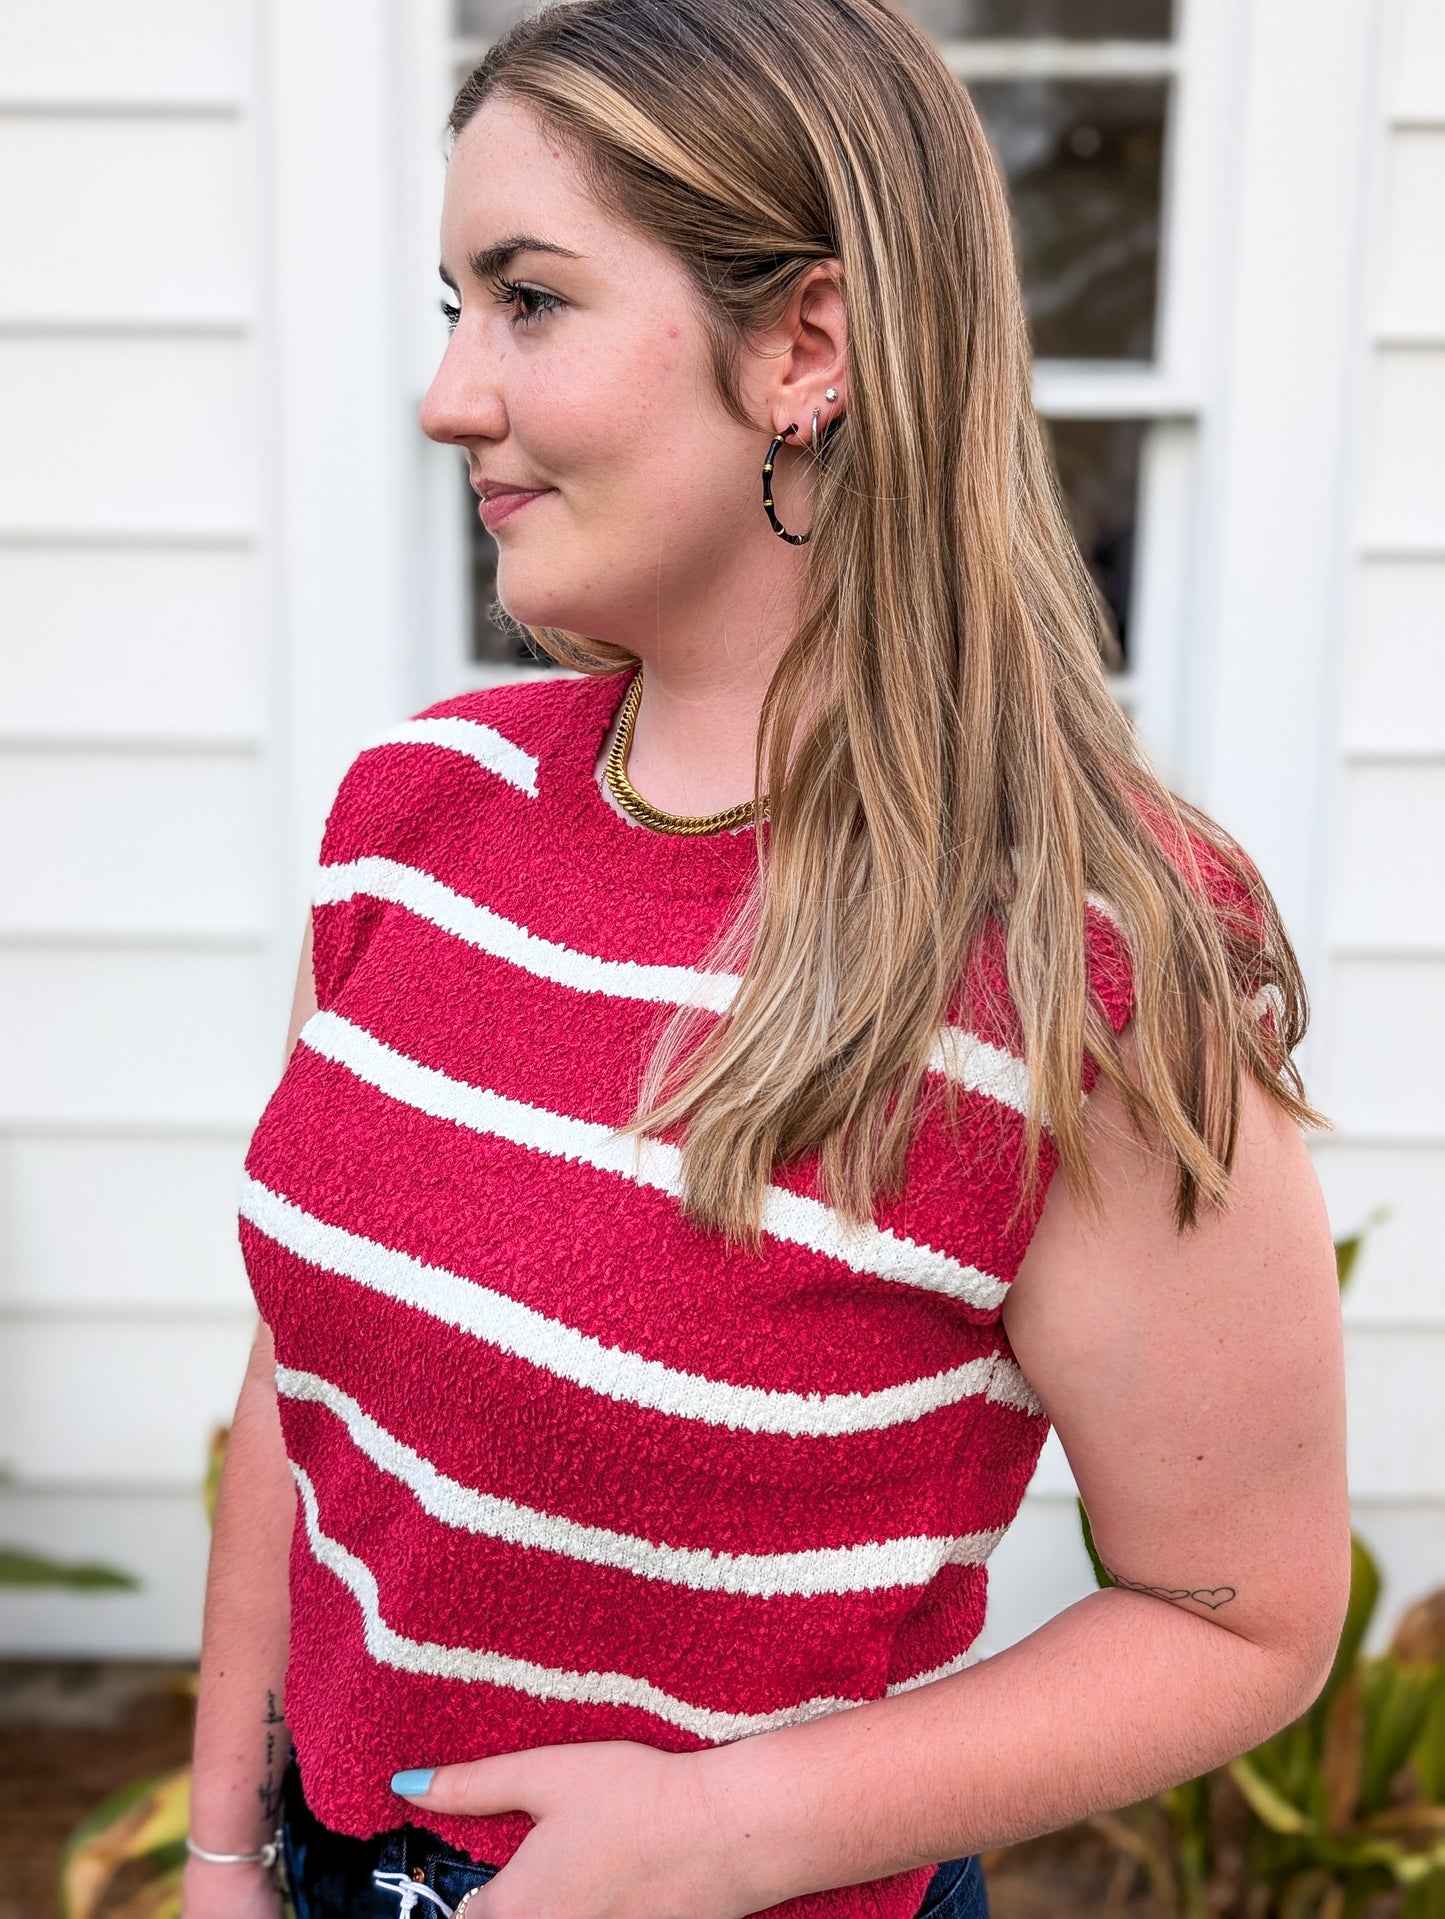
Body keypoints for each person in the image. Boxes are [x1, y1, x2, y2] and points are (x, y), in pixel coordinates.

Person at [180, 2, 1350, 1915]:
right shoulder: (418, 813)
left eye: (529, 302)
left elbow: (1240, 1618)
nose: (450, 393)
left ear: (804, 345)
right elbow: (300, 1384)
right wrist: (227, 1849)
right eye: (450, 305)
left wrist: (725, 1835)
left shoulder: (1080, 965)